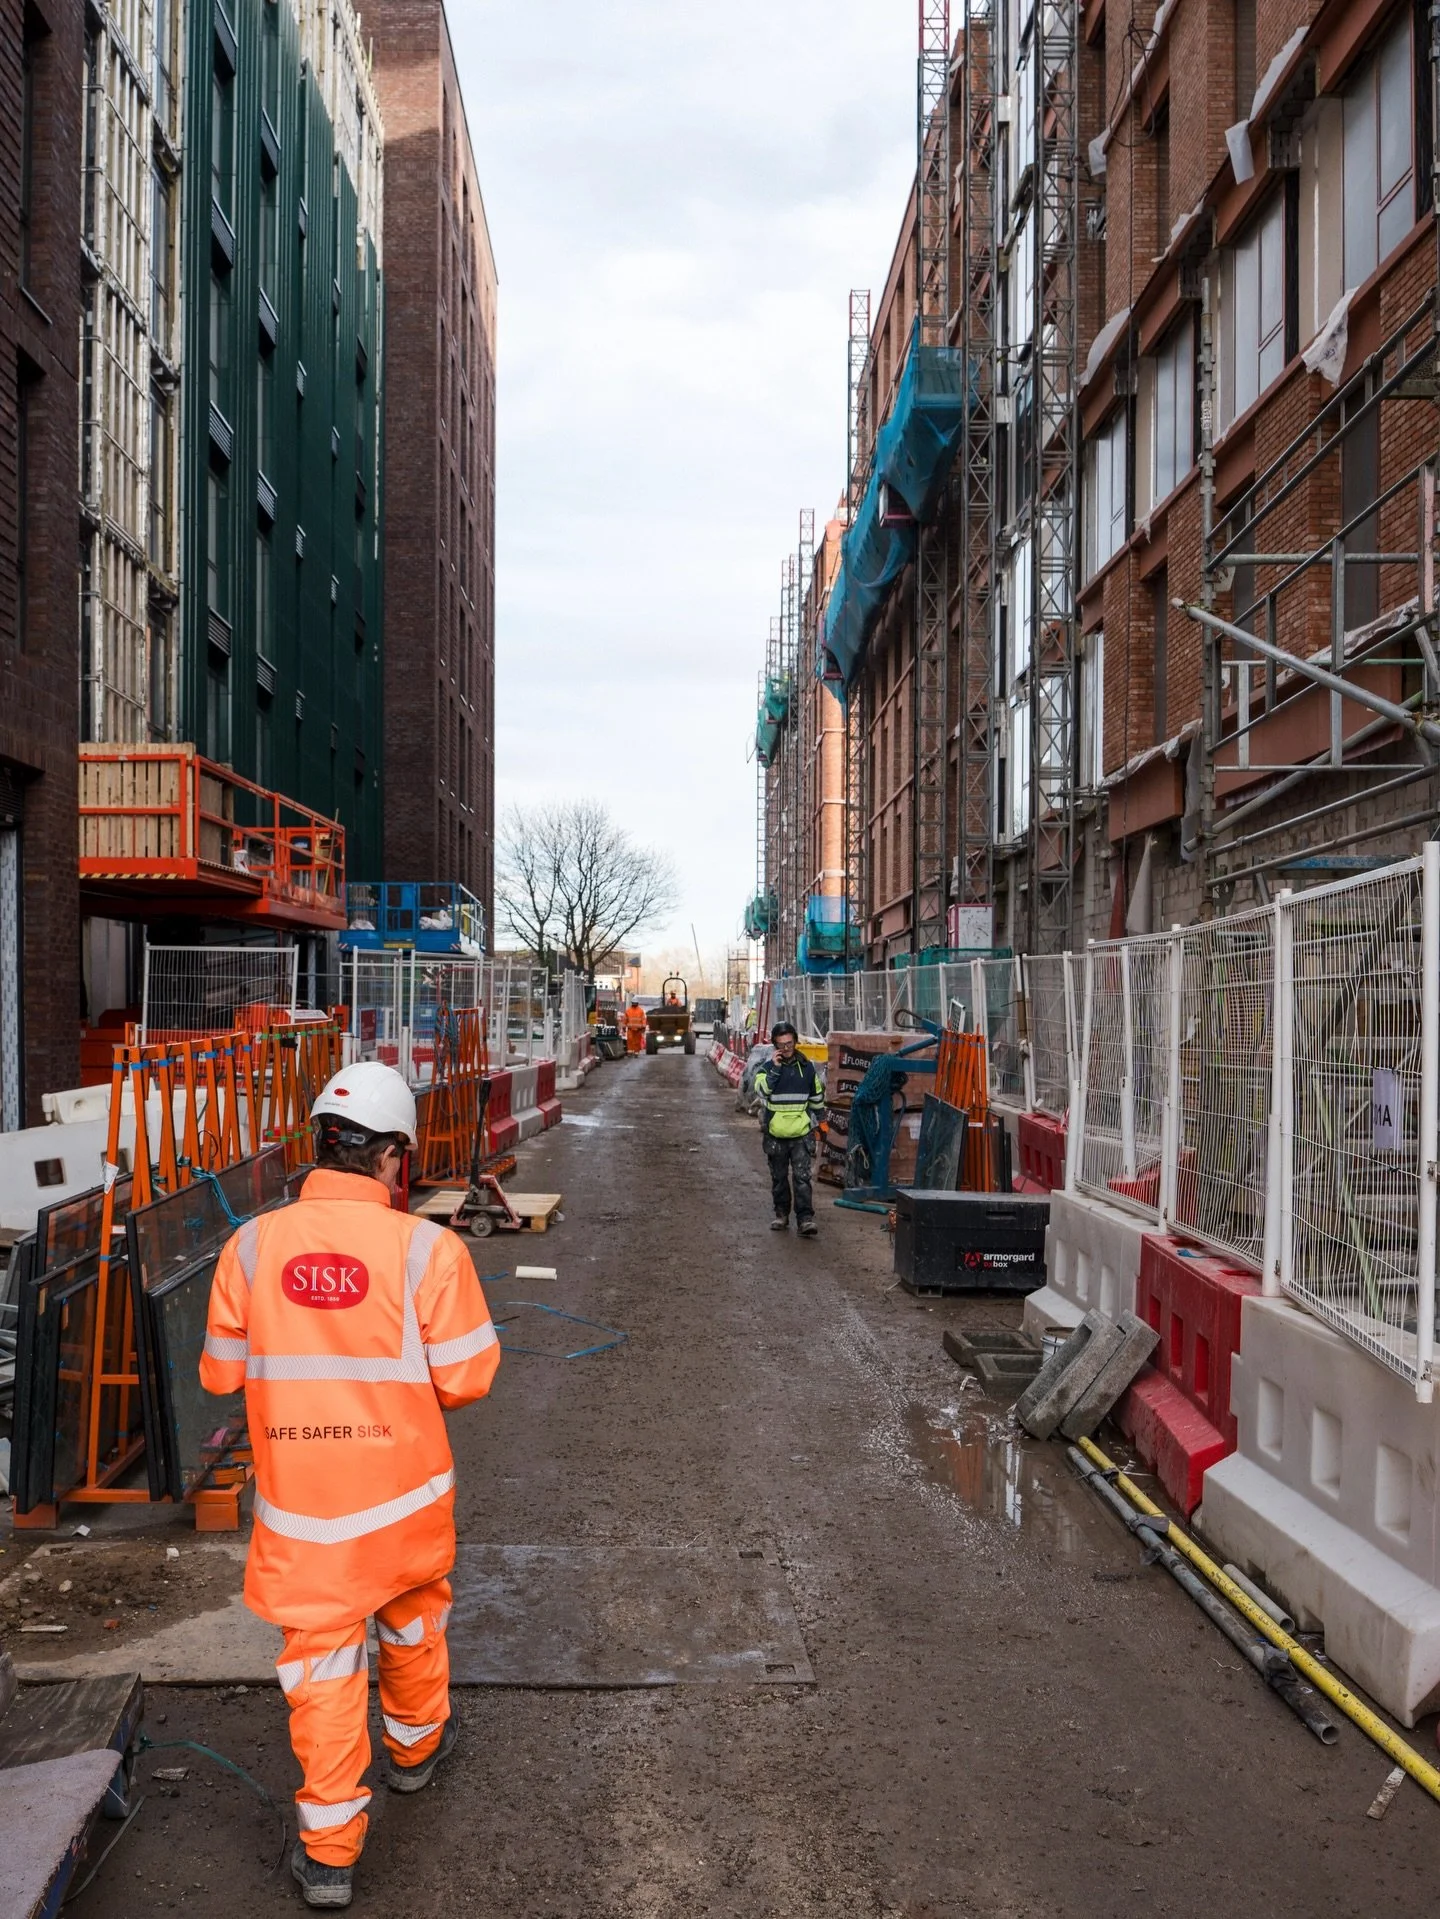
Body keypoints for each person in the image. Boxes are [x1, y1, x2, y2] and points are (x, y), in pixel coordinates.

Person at [200, 1061, 500, 1910]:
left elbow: (221, 1376)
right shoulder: (428, 1250)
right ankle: (415, 1751)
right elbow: (469, 1378)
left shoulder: (250, 1245)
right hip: (404, 1503)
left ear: (320, 1146)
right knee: (411, 1624)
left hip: (305, 1518)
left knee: (325, 1672)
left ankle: (329, 1856)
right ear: (394, 1157)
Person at [753, 1022, 825, 1236]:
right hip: (776, 1133)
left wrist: (821, 1122)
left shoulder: (807, 1068)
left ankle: (805, 1219)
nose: (786, 1048)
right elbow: (762, 1092)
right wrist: (775, 1069)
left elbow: (817, 1097)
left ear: (795, 1041)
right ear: (775, 1045)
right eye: (781, 1044)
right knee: (779, 1177)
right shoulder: (766, 1069)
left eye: (790, 1043)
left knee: (802, 1178)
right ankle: (781, 1214)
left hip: (801, 1133)